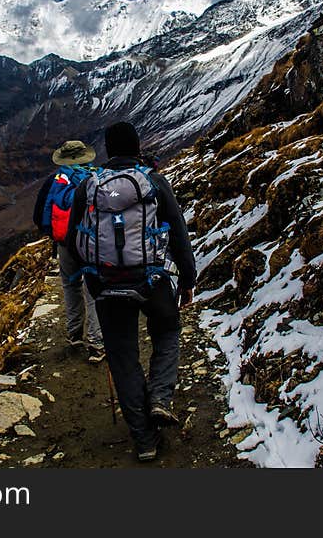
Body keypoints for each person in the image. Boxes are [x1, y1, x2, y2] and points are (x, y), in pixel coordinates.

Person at [67, 121, 196, 462]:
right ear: (138, 147)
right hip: (152, 280)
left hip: (107, 284)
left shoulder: (88, 187)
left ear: (108, 151)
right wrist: (187, 278)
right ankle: (160, 399)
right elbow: (178, 232)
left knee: (123, 358)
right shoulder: (154, 182)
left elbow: (73, 240)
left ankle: (144, 441)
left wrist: (91, 280)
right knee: (167, 332)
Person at [33, 140, 105, 363]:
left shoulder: (55, 181)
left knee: (70, 285)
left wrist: (55, 235)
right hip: (91, 242)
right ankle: (96, 343)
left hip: (65, 243)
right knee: (92, 288)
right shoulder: (97, 178)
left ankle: (75, 334)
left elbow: (38, 215)